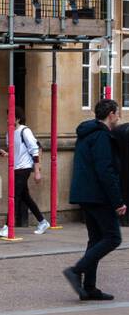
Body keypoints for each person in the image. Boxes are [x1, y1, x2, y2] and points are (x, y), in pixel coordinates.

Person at [64, 97, 127, 301]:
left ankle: (89, 287)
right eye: (118, 113)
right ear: (111, 115)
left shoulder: (87, 133)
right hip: (97, 195)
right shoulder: (101, 136)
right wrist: (118, 201)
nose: (119, 116)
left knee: (96, 239)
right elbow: (105, 170)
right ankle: (76, 270)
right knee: (112, 237)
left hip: (85, 193)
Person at [0, 110, 49, 237]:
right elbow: (16, 152)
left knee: (14, 196)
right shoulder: (9, 134)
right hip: (16, 167)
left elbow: (34, 149)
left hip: (24, 168)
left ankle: (7, 226)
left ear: (18, 119)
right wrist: (7, 154)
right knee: (25, 197)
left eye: (11, 117)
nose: (8, 120)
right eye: (7, 117)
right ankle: (42, 221)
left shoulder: (25, 131)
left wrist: (37, 171)